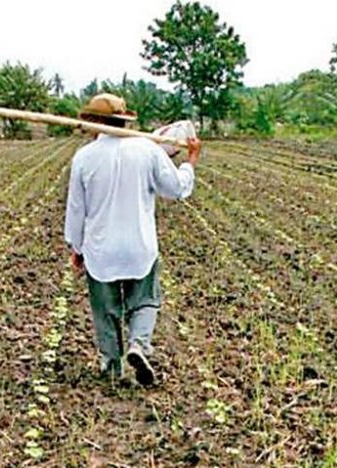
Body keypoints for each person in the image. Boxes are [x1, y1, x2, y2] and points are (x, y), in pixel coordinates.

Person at [64, 93, 201, 386]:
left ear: (93, 122)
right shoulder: (147, 150)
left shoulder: (84, 158)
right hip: (140, 245)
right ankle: (139, 344)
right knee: (146, 301)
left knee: (106, 310)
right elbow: (176, 189)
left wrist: (77, 248)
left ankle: (111, 366)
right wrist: (190, 161)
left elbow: (77, 210)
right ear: (124, 119)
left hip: (101, 249)